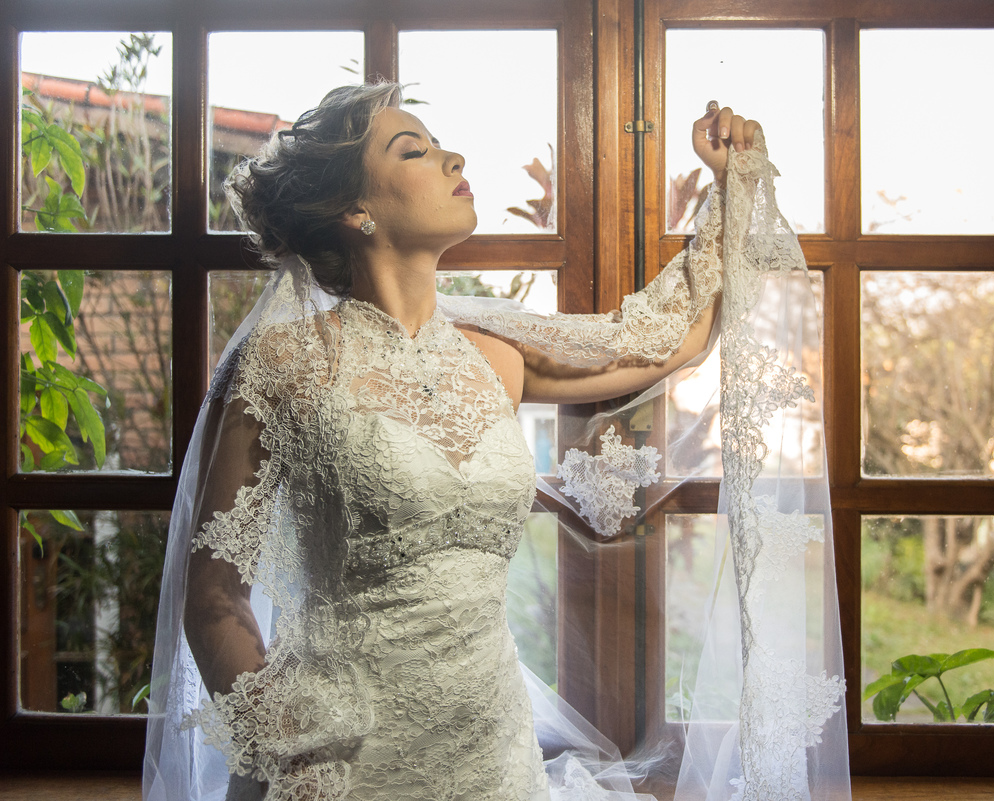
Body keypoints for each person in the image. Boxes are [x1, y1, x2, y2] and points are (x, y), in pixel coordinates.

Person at [143, 82, 850, 801]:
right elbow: (214, 593)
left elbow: (672, 340)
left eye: (440, 143)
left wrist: (727, 186)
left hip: (491, 757)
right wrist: (288, 748)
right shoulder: (286, 363)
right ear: (356, 210)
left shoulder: (496, 356)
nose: (453, 157)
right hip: (337, 760)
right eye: (414, 149)